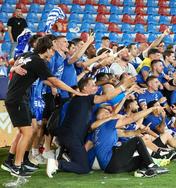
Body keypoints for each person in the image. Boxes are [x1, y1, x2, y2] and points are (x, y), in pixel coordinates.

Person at [2, 36, 85, 177]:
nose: (53, 53)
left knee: (28, 130)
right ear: (46, 49)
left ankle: (13, 161)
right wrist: (75, 91)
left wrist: (14, 68)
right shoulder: (38, 62)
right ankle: (16, 166)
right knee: (27, 133)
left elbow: (12, 62)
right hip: (18, 99)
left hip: (21, 98)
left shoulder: (28, 55)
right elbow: (55, 82)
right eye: (52, 50)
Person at [46, 76, 137, 177]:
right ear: (84, 88)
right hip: (72, 137)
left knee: (83, 164)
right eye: (93, 85)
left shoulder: (78, 100)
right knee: (84, 168)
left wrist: (125, 92)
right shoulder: (85, 97)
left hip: (69, 136)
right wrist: (124, 86)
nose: (96, 87)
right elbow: (107, 97)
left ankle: (62, 159)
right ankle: (56, 164)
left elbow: (110, 100)